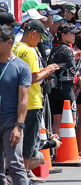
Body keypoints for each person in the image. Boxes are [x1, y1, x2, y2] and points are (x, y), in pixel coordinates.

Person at [12, 19, 58, 179]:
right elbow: (31, 77)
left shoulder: (16, 48)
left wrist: (43, 70)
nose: (39, 42)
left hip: (16, 102)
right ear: (33, 34)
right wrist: (48, 71)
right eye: (39, 38)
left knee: (17, 145)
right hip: (31, 102)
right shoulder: (30, 51)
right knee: (29, 146)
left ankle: (23, 175)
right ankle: (22, 177)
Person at [0, 25, 32, 185]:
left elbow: (23, 99)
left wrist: (19, 125)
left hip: (11, 121)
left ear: (9, 42)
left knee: (15, 165)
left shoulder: (21, 67)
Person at [47, 23, 81, 136]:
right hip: (66, 89)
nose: (74, 36)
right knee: (72, 118)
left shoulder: (54, 48)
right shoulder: (67, 50)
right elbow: (74, 71)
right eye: (71, 33)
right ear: (63, 35)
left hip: (54, 88)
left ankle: (57, 150)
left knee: (57, 121)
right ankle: (68, 149)